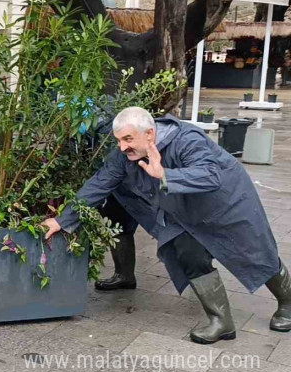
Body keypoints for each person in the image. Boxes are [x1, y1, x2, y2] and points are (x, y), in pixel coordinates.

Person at [42, 106, 291, 344]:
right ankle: (220, 321)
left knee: (255, 252)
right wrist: (63, 220)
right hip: (182, 210)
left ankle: (288, 303)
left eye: (128, 139)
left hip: (226, 203)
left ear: (150, 133)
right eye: (119, 140)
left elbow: (210, 174)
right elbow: (99, 183)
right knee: (188, 253)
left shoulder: (187, 138)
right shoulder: (123, 156)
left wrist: (164, 175)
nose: (122, 146)